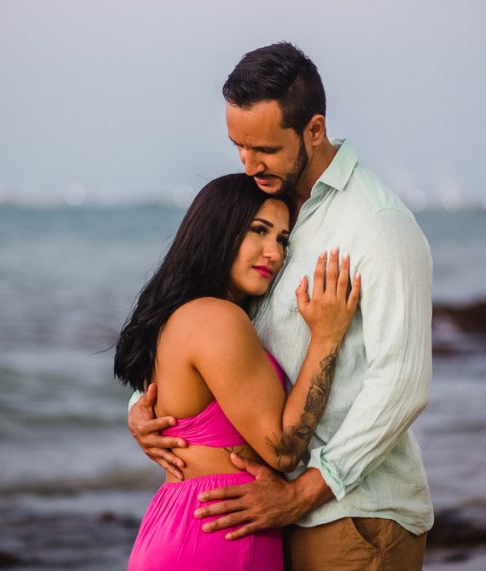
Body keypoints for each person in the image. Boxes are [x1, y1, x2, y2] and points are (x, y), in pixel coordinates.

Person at [128, 42, 434, 570]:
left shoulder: (376, 226)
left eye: (264, 149)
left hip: (350, 514)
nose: (249, 164)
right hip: (271, 513)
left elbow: (402, 384)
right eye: (238, 147)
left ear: (314, 130)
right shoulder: (268, 209)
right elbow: (200, 316)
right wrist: (145, 409)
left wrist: (307, 491)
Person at [114, 173, 361, 570]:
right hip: (216, 533)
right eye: (258, 231)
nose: (274, 253)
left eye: (281, 239)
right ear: (216, 232)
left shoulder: (183, 316)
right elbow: (282, 449)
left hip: (192, 523)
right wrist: (327, 338)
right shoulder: (216, 319)